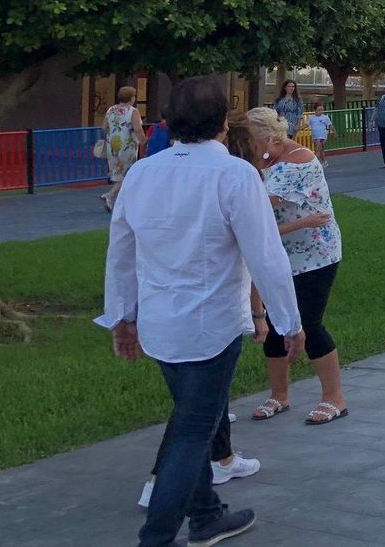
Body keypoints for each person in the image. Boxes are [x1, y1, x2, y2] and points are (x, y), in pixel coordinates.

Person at [102, 78, 304, 547]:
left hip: (160, 323)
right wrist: (289, 322)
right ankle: (156, 536)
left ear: (169, 123)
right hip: (211, 327)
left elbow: (121, 253)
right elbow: (266, 255)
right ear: (222, 122)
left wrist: (123, 316)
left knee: (190, 422)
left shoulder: (143, 173)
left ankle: (207, 515)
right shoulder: (234, 175)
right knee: (193, 432)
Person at [135, 110, 275, 510]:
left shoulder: (154, 174)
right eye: (268, 143)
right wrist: (268, 316)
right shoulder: (238, 177)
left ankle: (216, 477)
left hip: (167, 314)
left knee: (204, 406)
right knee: (193, 417)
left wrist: (125, 314)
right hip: (208, 317)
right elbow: (257, 256)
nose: (271, 150)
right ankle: (162, 494)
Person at [243, 107, 348, 426]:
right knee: (275, 325)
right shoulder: (265, 159)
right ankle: (280, 396)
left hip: (315, 254)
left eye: (250, 143)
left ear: (267, 138)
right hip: (279, 253)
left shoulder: (298, 162)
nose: (247, 150)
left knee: (309, 323)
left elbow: (254, 213)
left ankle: (334, 399)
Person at [102, 86, 145, 212]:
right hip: (127, 145)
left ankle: (119, 199)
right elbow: (138, 129)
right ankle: (110, 195)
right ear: (131, 98)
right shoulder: (133, 111)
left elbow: (103, 127)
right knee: (127, 173)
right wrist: (143, 140)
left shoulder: (111, 110)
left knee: (118, 173)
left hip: (113, 145)